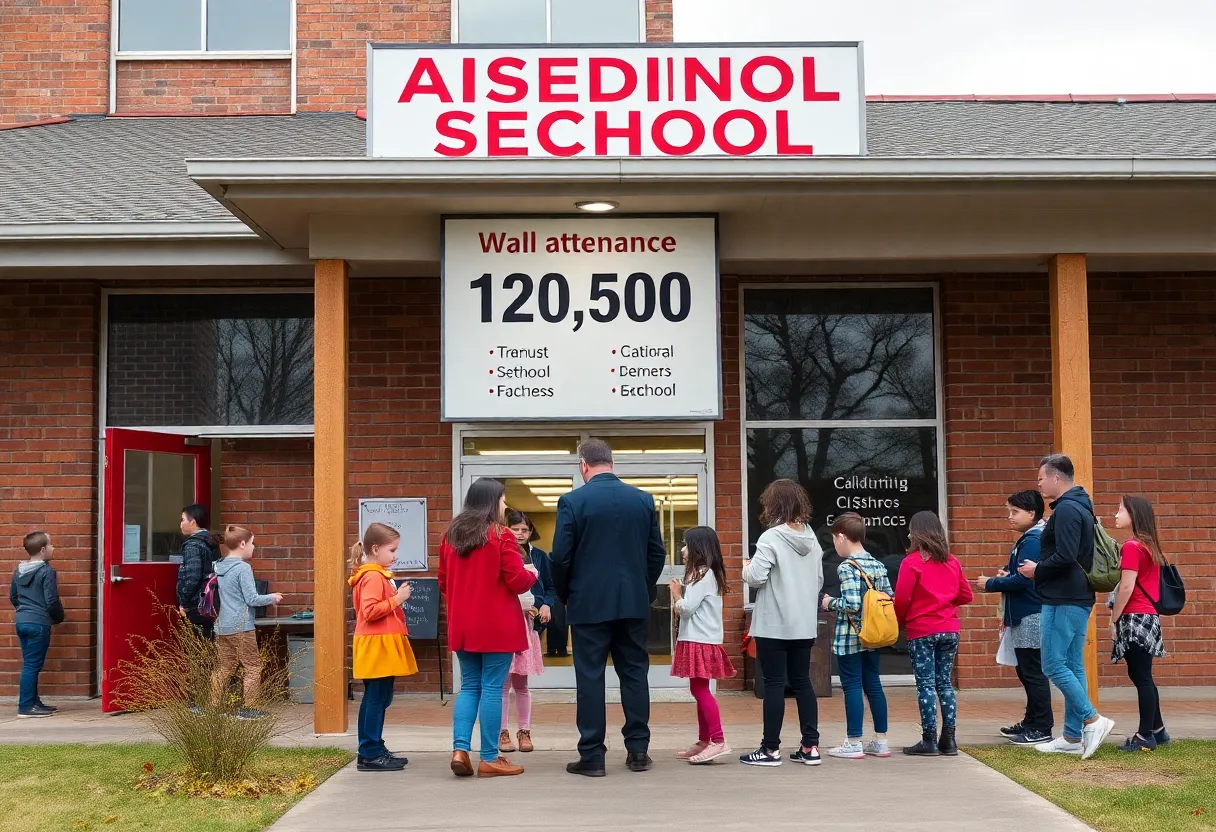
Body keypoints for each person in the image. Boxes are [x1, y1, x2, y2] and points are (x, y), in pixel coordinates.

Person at [549, 439, 666, 777]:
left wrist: (566, 594)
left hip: (588, 604)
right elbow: (656, 553)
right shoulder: (642, 500)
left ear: (583, 465)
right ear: (611, 462)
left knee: (590, 677)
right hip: (632, 603)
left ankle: (592, 755)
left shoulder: (572, 501)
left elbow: (560, 556)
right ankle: (639, 750)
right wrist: (641, 589)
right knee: (634, 673)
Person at [1018, 453, 1116, 759]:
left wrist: (1038, 570)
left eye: (1040, 478)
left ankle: (1093, 719)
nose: (1039, 484)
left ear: (1055, 478)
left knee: (1052, 665)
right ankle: (1073, 737)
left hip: (1063, 598)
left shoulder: (1069, 510)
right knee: (1073, 665)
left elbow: (1067, 555)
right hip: (1073, 597)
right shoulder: (1077, 506)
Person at [438, 478, 537, 779]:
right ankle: (490, 758)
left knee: (469, 686)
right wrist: (532, 575)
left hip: (463, 625)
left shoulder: (450, 536)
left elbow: (443, 581)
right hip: (496, 626)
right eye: (503, 500)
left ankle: (460, 750)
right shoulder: (501, 535)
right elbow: (517, 581)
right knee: (493, 689)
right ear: (491, 501)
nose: (505, 505)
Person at [741, 479, 824, 768]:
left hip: (774, 624)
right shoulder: (812, 539)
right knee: (803, 682)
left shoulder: (770, 538)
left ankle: (770, 749)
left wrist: (746, 567)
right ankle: (810, 747)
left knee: (774, 684)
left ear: (773, 504)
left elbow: (756, 578)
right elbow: (818, 581)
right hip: (804, 623)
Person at [975, 490, 1053, 745]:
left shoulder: (1032, 539)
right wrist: (1007, 574)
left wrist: (991, 583)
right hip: (1025, 613)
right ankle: (1031, 721)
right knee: (1026, 671)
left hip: (1031, 614)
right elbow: (1021, 574)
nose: (1010, 517)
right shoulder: (1030, 537)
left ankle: (1041, 726)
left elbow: (1023, 580)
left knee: (1033, 672)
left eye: (1014, 512)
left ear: (1032, 514)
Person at [894, 511, 973, 756]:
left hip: (922, 630)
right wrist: (945, 602)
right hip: (949, 629)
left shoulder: (912, 562)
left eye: (910, 530)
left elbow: (903, 598)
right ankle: (949, 739)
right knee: (945, 683)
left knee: (926, 685)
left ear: (917, 533)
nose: (908, 534)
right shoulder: (952, 561)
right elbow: (966, 595)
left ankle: (929, 739)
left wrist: (899, 621)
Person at [821, 512, 891, 760]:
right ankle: (881, 741)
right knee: (873, 685)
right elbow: (888, 597)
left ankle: (853, 742)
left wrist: (829, 603)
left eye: (834, 539)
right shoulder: (878, 564)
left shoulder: (847, 567)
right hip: (874, 635)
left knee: (852, 686)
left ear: (841, 537)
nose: (834, 545)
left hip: (851, 636)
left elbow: (851, 603)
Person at [349, 521, 417, 772]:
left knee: (378, 698)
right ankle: (370, 752)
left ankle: (373, 747)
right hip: (377, 644)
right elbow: (369, 612)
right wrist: (397, 599)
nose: (395, 556)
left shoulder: (375, 575)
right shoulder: (373, 576)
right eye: (392, 550)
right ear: (375, 549)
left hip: (379, 643)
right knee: (376, 699)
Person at [669, 526, 737, 764]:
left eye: (687, 544)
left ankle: (718, 741)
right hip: (701, 639)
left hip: (700, 639)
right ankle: (704, 740)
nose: (683, 550)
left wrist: (676, 595)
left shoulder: (701, 574)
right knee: (700, 689)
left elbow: (687, 610)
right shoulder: (706, 573)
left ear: (698, 547)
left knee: (699, 690)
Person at [1110, 496, 1170, 752]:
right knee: (1141, 674)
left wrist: (1114, 618)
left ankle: (1145, 735)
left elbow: (1126, 586)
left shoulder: (1132, 547)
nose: (1115, 514)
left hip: (1134, 616)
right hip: (1148, 617)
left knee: (1142, 676)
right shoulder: (1149, 545)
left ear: (1133, 515)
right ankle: (1157, 730)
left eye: (1120, 509)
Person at [210, 525, 282, 719]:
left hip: (222, 626)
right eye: (252, 543)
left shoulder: (219, 565)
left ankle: (214, 706)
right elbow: (252, 599)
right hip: (241, 626)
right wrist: (272, 597)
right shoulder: (243, 568)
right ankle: (249, 708)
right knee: (252, 667)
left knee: (224, 668)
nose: (253, 547)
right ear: (242, 544)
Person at [499, 510, 552, 755]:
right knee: (501, 684)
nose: (520, 534)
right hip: (506, 623)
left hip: (529, 625)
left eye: (524, 529)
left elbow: (549, 588)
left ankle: (524, 730)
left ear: (531, 532)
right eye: (515, 529)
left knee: (522, 683)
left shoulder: (539, 557)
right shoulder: (500, 553)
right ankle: (502, 732)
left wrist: (544, 603)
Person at [9, 530, 65, 718]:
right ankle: (26, 707)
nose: (53, 547)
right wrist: (58, 618)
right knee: (32, 666)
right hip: (38, 623)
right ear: (43, 550)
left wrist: (24, 611)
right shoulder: (46, 571)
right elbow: (51, 600)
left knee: (29, 664)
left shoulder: (19, 570)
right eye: (51, 544)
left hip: (22, 621)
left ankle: (34, 702)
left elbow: (13, 597)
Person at [176, 504, 219, 640]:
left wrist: (184, 602)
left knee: (196, 648)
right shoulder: (211, 542)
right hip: (210, 603)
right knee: (208, 645)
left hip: (196, 606)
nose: (180, 524)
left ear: (193, 522)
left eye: (183, 520)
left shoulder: (193, 545)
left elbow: (192, 578)